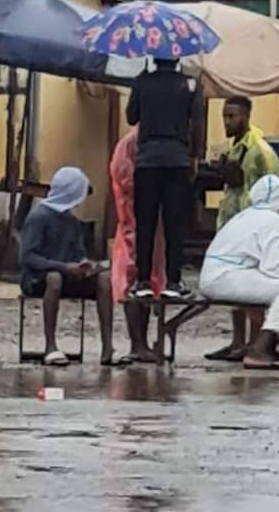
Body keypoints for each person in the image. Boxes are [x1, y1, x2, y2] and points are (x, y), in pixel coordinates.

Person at [199, 175, 279, 368]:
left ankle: (278, 343)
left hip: (216, 276)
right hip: (226, 277)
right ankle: (260, 351)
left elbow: (266, 268)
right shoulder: (273, 220)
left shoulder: (244, 215)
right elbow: (274, 266)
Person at [204, 96, 279, 363]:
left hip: (253, 233)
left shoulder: (260, 151)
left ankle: (255, 342)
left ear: (247, 116)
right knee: (234, 287)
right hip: (231, 227)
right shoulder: (235, 148)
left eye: (232, 116)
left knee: (253, 288)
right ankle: (238, 341)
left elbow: (274, 188)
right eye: (225, 116)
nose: (227, 121)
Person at [126, 60, 205, 302]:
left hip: (147, 161)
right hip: (178, 160)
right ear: (177, 58)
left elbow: (131, 117)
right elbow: (198, 125)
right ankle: (173, 280)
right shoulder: (190, 85)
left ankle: (143, 282)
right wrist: (194, 156)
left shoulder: (142, 82)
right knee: (175, 223)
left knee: (145, 223)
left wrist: (140, 83)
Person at [19, 166, 114, 366]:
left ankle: (107, 348)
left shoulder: (71, 221)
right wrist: (63, 267)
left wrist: (85, 264)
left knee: (105, 279)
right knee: (54, 278)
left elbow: (78, 253)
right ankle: (50, 346)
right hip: (39, 278)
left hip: (68, 275)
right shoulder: (39, 217)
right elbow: (28, 257)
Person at [109, 127, 164, 364]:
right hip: (134, 219)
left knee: (150, 281)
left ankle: (142, 341)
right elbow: (123, 176)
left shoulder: (155, 139)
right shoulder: (132, 143)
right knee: (132, 279)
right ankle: (137, 343)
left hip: (152, 222)